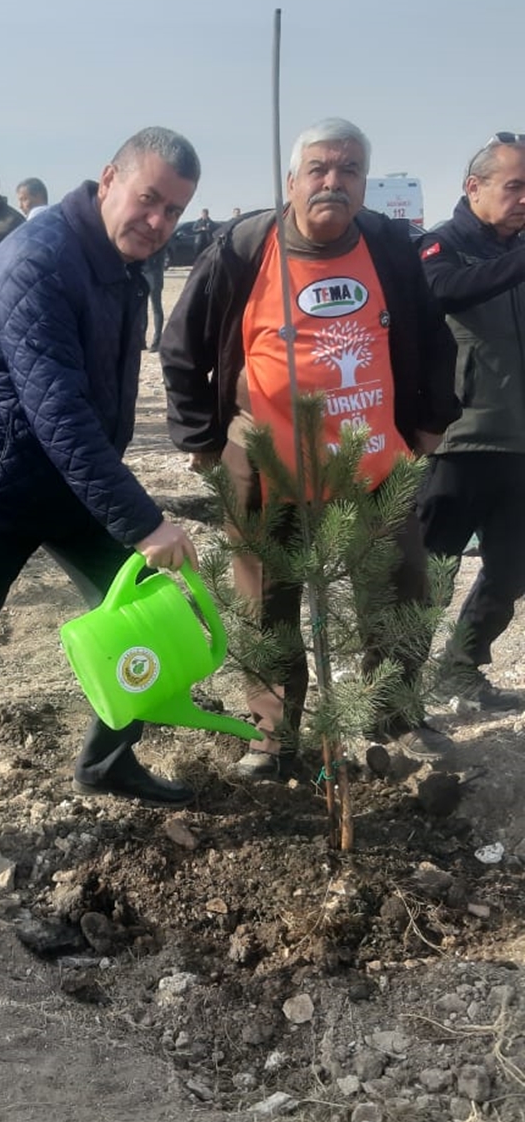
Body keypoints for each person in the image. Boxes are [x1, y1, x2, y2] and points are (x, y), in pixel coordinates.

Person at [0, 126, 201, 904]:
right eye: (148, 198)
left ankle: (106, 759)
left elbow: (89, 413)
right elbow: (59, 414)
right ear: (107, 180)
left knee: (152, 617)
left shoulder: (123, 260)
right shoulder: (38, 260)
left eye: (173, 211)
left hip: (64, 484)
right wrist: (146, 522)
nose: (157, 221)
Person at [160, 117, 461, 775]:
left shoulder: (387, 244)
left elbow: (434, 338)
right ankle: (275, 736)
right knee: (264, 605)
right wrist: (202, 440)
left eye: (349, 170)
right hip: (266, 468)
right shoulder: (244, 246)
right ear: (292, 180)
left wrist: (432, 425)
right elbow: (181, 348)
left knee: (401, 595)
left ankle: (394, 722)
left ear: (364, 183)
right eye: (319, 169)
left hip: (375, 463)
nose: (334, 181)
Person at [416, 132, 525, 710]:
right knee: (430, 574)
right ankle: (396, 693)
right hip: (459, 440)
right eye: (516, 186)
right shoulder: (442, 247)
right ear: (474, 188)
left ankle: (461, 668)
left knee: (512, 571)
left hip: (520, 440)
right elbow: (446, 292)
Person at [142, 244, 166, 351]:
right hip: (144, 273)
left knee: (156, 307)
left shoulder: (160, 237)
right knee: (142, 308)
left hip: (154, 274)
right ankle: (141, 340)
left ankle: (157, 341)